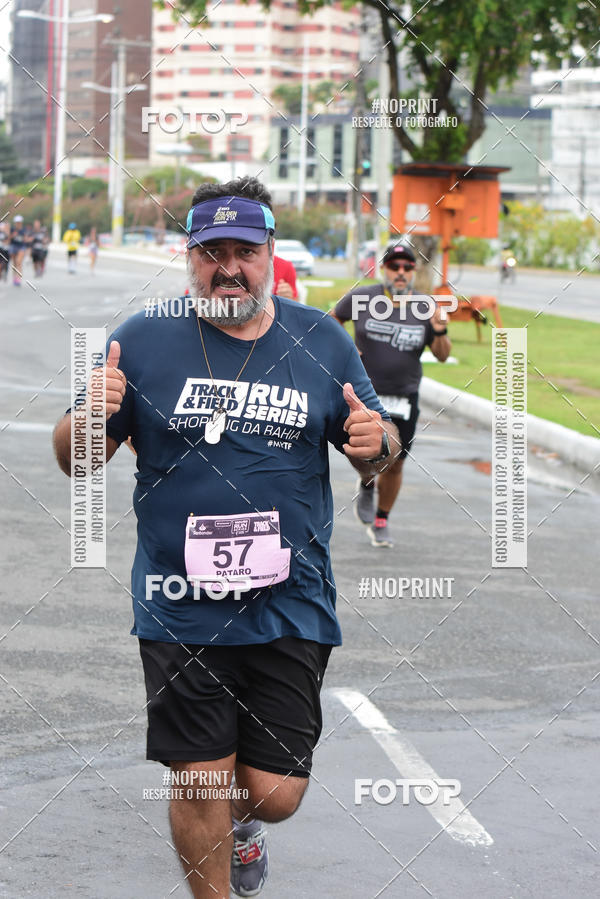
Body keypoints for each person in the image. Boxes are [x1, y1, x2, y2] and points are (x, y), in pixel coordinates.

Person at [52, 176, 399, 899]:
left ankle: (247, 826)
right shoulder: (142, 340)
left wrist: (378, 441)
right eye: (213, 251)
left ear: (270, 253)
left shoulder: (319, 339)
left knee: (275, 793)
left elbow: (376, 443)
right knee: (199, 774)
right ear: (190, 256)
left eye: (245, 249)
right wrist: (89, 419)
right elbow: (76, 459)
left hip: (290, 598)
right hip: (181, 600)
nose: (229, 266)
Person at [331, 242, 451, 548]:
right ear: (384, 269)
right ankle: (368, 481)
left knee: (396, 462)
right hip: (367, 395)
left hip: (404, 395)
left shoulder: (426, 307)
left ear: (414, 272)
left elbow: (441, 354)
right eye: (394, 267)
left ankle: (382, 519)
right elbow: (330, 321)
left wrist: (438, 331)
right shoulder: (363, 298)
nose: (400, 273)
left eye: (407, 268)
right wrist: (344, 350)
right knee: (368, 453)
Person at [10, 215, 27, 286]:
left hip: (21, 247)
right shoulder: (12, 229)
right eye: (17, 222)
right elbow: (9, 238)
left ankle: (18, 278)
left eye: (19, 222)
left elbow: (26, 239)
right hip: (14, 246)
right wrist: (13, 235)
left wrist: (24, 238)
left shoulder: (23, 229)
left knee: (19, 262)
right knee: (14, 263)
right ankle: (14, 277)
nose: (18, 224)